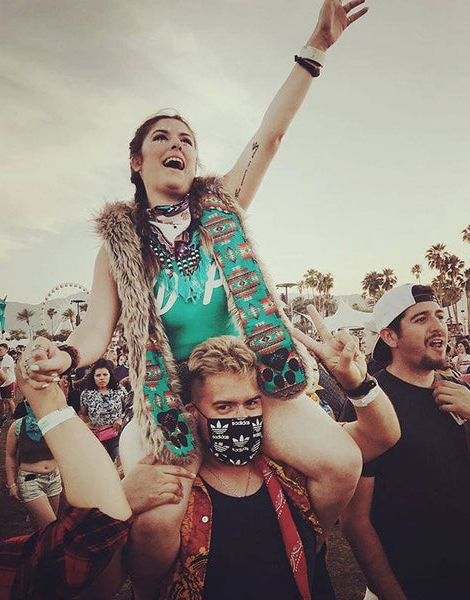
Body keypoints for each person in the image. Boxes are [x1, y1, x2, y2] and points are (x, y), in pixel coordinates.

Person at [22, 1, 368, 595]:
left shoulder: (222, 208)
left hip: (240, 384)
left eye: (187, 138)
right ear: (138, 161)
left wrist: (316, 48)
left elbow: (271, 135)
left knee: (343, 465)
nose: (177, 143)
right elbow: (94, 332)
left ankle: (303, 547)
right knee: (154, 522)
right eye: (162, 137)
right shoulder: (117, 250)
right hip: (166, 397)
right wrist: (64, 358)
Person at [141, 333, 398, 599]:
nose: (241, 417)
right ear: (192, 414)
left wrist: (356, 384)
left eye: (251, 403)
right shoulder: (178, 495)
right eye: (224, 407)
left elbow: (380, 437)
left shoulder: (293, 475)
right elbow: (147, 571)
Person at [0, 340, 195, 600]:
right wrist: (52, 408)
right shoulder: (19, 426)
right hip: (37, 477)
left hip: (73, 468)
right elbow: (77, 567)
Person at [340, 284, 470, 600]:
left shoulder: (456, 391)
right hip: (412, 584)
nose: (438, 326)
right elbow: (356, 521)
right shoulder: (370, 405)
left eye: (439, 315)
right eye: (421, 318)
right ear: (390, 337)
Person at [5, 403, 63, 530]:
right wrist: (11, 484)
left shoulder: (55, 422)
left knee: (42, 527)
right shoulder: (18, 426)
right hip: (30, 481)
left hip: (54, 479)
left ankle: (36, 548)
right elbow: (10, 456)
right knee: (51, 527)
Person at [79, 358, 128, 460]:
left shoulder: (119, 390)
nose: (102, 378)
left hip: (116, 435)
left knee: (118, 460)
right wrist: (85, 425)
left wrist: (121, 419)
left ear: (110, 375)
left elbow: (129, 408)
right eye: (98, 375)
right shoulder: (87, 394)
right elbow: (83, 414)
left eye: (105, 374)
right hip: (96, 436)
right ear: (93, 377)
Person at [0, 343, 16, 420]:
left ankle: (14, 416)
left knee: (9, 400)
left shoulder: (8, 358)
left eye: (0, 350)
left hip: (9, 382)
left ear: (6, 350)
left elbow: (3, 371)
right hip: (0, 383)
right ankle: (3, 416)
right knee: (1, 400)